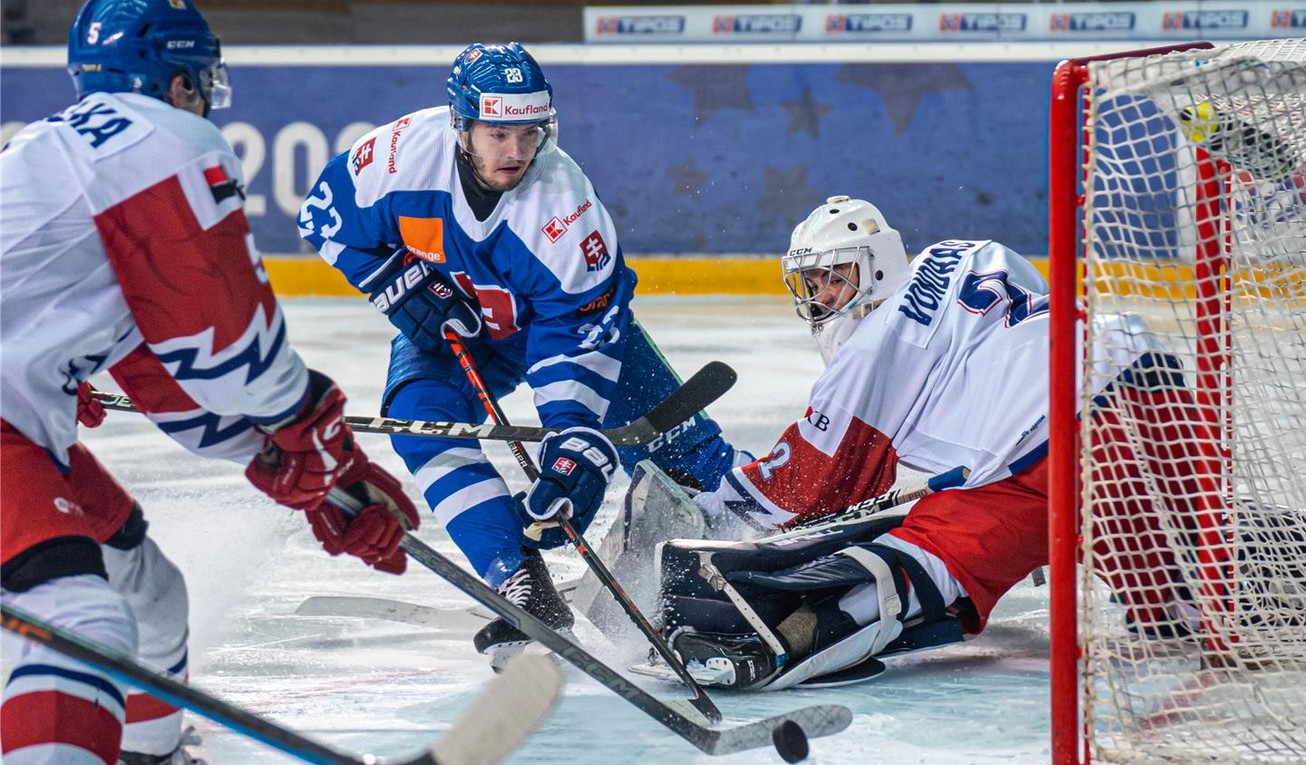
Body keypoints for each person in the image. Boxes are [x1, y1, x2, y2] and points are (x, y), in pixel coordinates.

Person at [0, 2, 421, 763]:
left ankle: (149, 755)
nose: (205, 100)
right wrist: (306, 423)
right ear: (180, 77)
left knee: (148, 594)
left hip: (19, 425)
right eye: (201, 83)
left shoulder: (66, 153)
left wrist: (311, 470)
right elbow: (226, 339)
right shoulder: (161, 140)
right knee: (81, 620)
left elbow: (160, 371)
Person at [297, 42, 746, 666]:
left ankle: (741, 507)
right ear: (461, 123)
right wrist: (394, 283)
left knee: (674, 459)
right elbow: (323, 215)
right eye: (498, 132)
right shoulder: (398, 157)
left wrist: (571, 435)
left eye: (530, 132)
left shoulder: (567, 211)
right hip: (457, 330)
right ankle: (519, 581)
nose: (515, 151)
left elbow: (575, 336)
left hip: (550, 327)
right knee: (419, 420)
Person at [663, 196, 1203, 690]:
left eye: (835, 278)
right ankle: (1247, 558)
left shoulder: (878, 342)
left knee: (927, 548)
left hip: (1044, 445)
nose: (824, 296)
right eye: (813, 285)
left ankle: (772, 637)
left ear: (876, 265)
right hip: (1151, 387)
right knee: (1178, 599)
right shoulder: (968, 254)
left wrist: (713, 504)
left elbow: (810, 485)